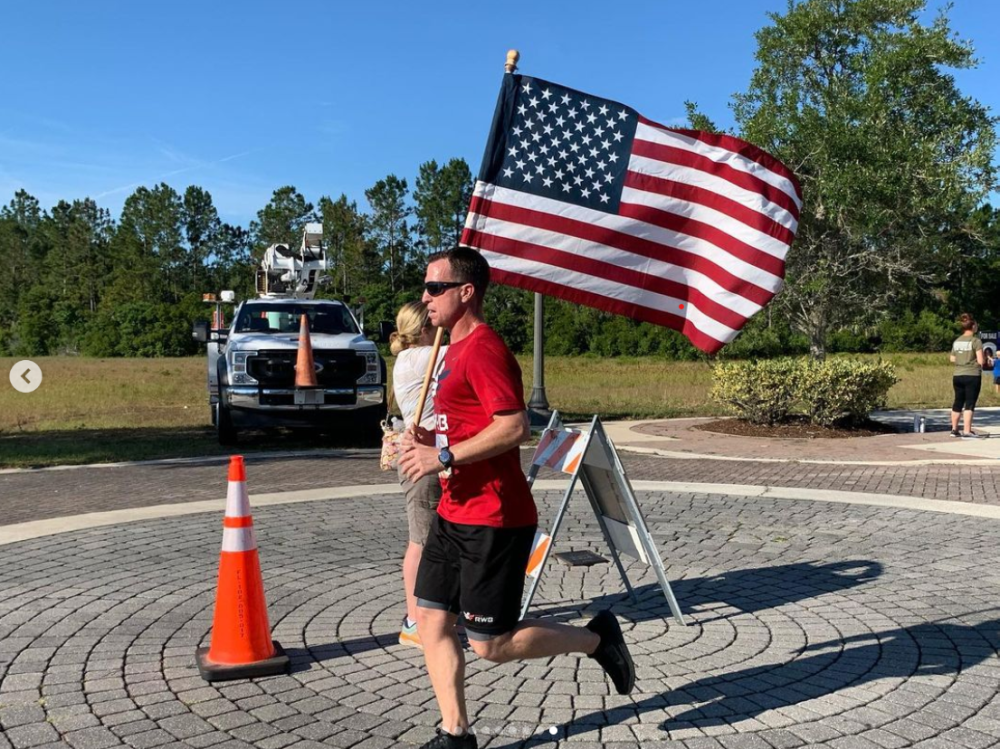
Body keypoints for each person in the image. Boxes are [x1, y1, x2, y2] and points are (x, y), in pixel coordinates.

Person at [398, 247, 635, 749]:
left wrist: (442, 459)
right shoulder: (450, 348)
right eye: (425, 287)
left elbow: (514, 427)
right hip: (451, 510)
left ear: (467, 293)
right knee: (430, 619)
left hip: (493, 518)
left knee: (491, 644)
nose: (426, 297)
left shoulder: (483, 348)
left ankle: (597, 639)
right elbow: (467, 425)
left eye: (435, 288)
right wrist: (427, 441)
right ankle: (455, 734)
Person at [390, 301, 447, 650]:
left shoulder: (414, 357)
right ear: (425, 328)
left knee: (426, 539)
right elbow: (463, 353)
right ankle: (415, 621)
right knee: (421, 541)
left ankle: (429, 614)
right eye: (436, 320)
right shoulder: (418, 358)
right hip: (419, 460)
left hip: (425, 455)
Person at [949, 313, 992, 439]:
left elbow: (952, 358)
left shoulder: (957, 341)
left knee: (957, 402)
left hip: (957, 374)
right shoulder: (976, 341)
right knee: (969, 403)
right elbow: (980, 361)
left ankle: (954, 429)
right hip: (972, 375)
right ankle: (967, 430)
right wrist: (985, 358)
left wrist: (962, 360)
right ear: (973, 326)